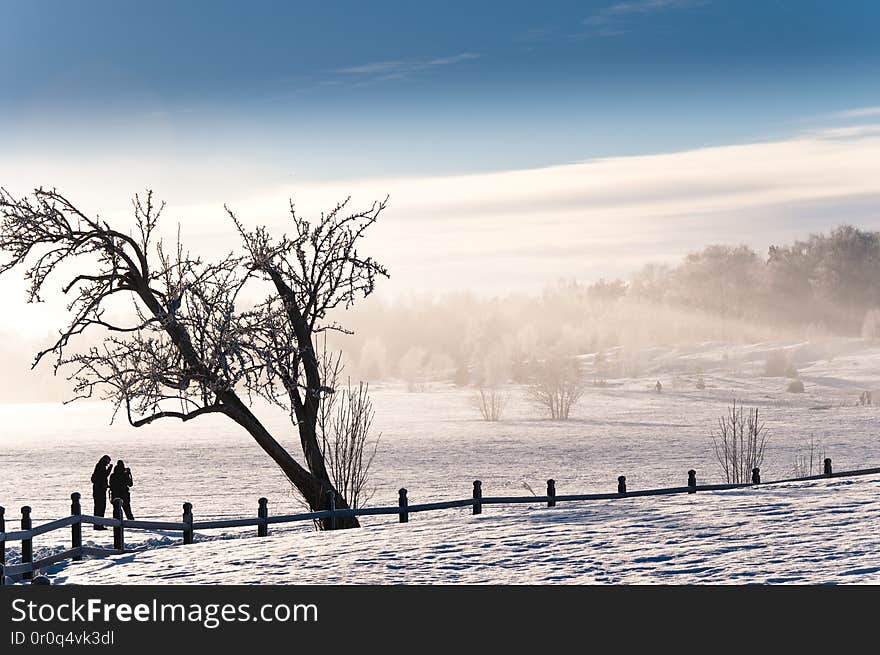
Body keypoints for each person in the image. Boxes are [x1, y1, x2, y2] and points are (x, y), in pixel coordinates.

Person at [90, 455, 112, 530]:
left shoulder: (99, 466)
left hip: (98, 490)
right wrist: (110, 469)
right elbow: (104, 475)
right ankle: (98, 524)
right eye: (108, 461)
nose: (108, 463)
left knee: (98, 507)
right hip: (99, 490)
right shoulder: (101, 466)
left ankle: (98, 524)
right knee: (100, 507)